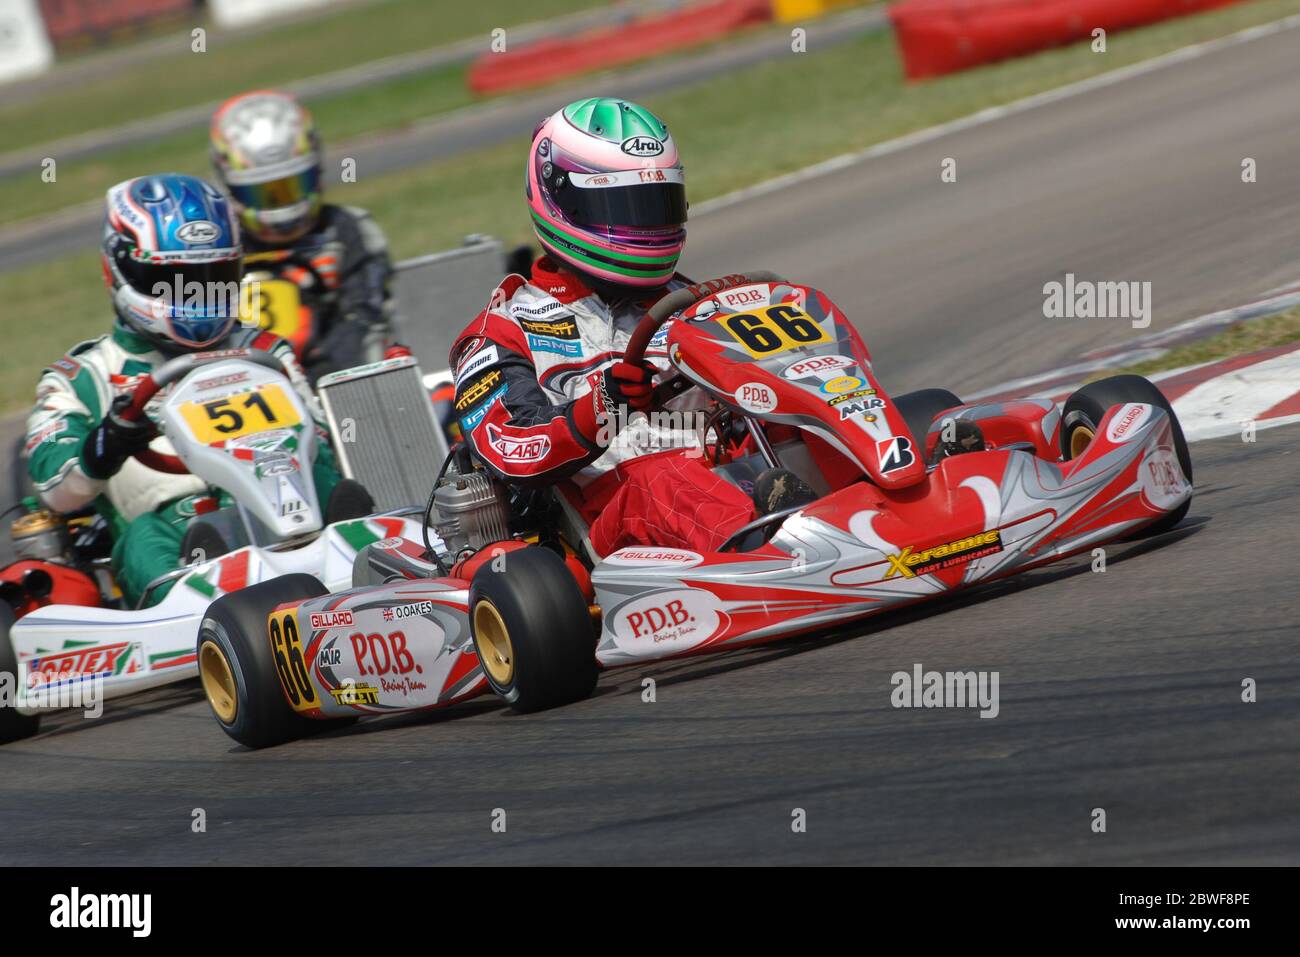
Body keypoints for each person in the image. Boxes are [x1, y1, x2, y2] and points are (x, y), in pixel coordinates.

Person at [450, 97, 803, 557]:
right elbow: (511, 448)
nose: (647, 223)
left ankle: (881, 500)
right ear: (563, 202)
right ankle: (773, 552)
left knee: (805, 419)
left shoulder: (690, 300)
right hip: (612, 520)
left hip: (728, 479)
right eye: (626, 207)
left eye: (658, 205)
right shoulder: (503, 330)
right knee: (659, 477)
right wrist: (603, 406)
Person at [25, 173, 363, 607]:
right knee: (143, 536)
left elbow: (319, 441)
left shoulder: (262, 350)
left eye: (211, 275)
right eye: (176, 278)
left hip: (292, 512)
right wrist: (106, 445)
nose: (195, 292)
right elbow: (55, 489)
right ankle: (198, 601)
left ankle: (359, 555)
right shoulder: (81, 377)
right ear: (120, 268)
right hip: (177, 536)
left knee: (326, 478)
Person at [210, 89, 394, 383]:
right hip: (241, 384)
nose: (282, 204)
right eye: (265, 193)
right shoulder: (217, 247)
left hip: (331, 380)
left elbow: (364, 318)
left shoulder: (347, 230)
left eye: (292, 186)